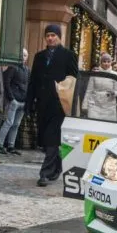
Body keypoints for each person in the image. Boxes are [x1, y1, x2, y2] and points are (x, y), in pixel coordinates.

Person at [27, 24, 79, 187]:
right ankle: (57, 168)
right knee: (47, 139)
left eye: (53, 35)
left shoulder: (68, 55)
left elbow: (73, 80)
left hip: (59, 104)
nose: (50, 38)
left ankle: (45, 173)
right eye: (48, 35)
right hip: (42, 104)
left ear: (59, 37)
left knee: (51, 138)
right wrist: (29, 103)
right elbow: (33, 81)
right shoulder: (39, 56)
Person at [0, 49, 30, 155]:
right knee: (8, 122)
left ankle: (11, 145)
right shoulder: (13, 67)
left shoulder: (27, 70)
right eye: (21, 55)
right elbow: (6, 82)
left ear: (27, 57)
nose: (23, 57)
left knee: (16, 124)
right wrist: (11, 98)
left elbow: (29, 84)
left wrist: (27, 100)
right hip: (14, 100)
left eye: (25, 55)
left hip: (23, 101)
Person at [85, 53, 117, 122]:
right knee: (93, 125)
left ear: (111, 63)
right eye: (104, 61)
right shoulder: (95, 73)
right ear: (101, 62)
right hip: (95, 105)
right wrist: (85, 105)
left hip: (109, 106)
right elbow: (89, 90)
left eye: (108, 61)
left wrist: (113, 93)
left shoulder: (115, 74)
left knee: (107, 126)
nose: (106, 63)